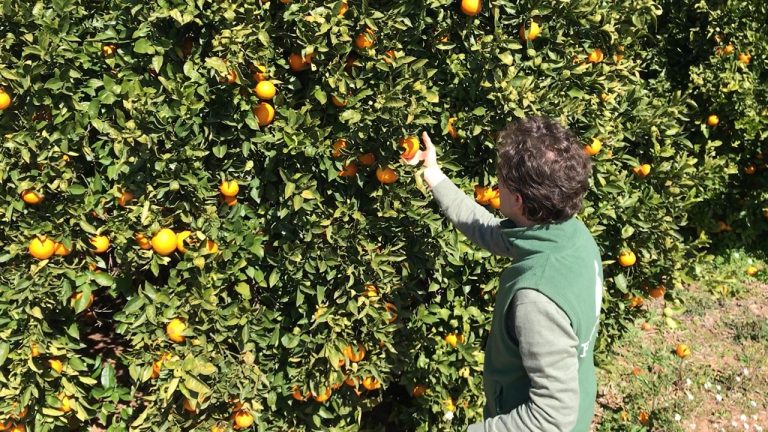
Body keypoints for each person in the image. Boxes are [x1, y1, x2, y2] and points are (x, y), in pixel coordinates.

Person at [407, 116, 603, 431]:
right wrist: (434, 176)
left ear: (518, 200)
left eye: (501, 182)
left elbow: (552, 419)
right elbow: (494, 234)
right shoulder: (569, 235)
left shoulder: (536, 300)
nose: (496, 187)